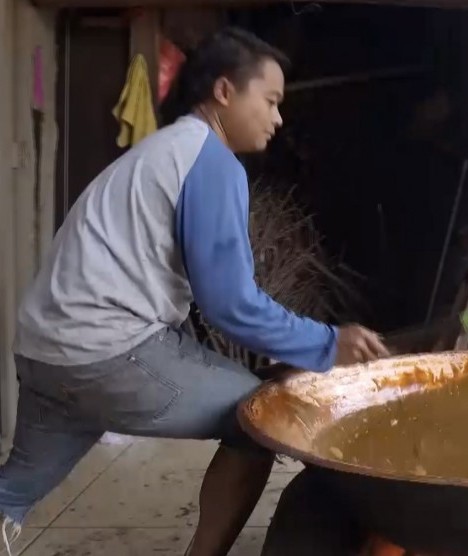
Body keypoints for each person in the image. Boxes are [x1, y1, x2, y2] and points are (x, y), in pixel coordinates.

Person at [0, 26, 388, 556]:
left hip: (44, 351)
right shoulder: (211, 161)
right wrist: (327, 345)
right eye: (270, 101)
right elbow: (230, 303)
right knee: (256, 420)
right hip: (105, 350)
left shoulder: (167, 150)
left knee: (12, 491)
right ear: (224, 92)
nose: (278, 118)